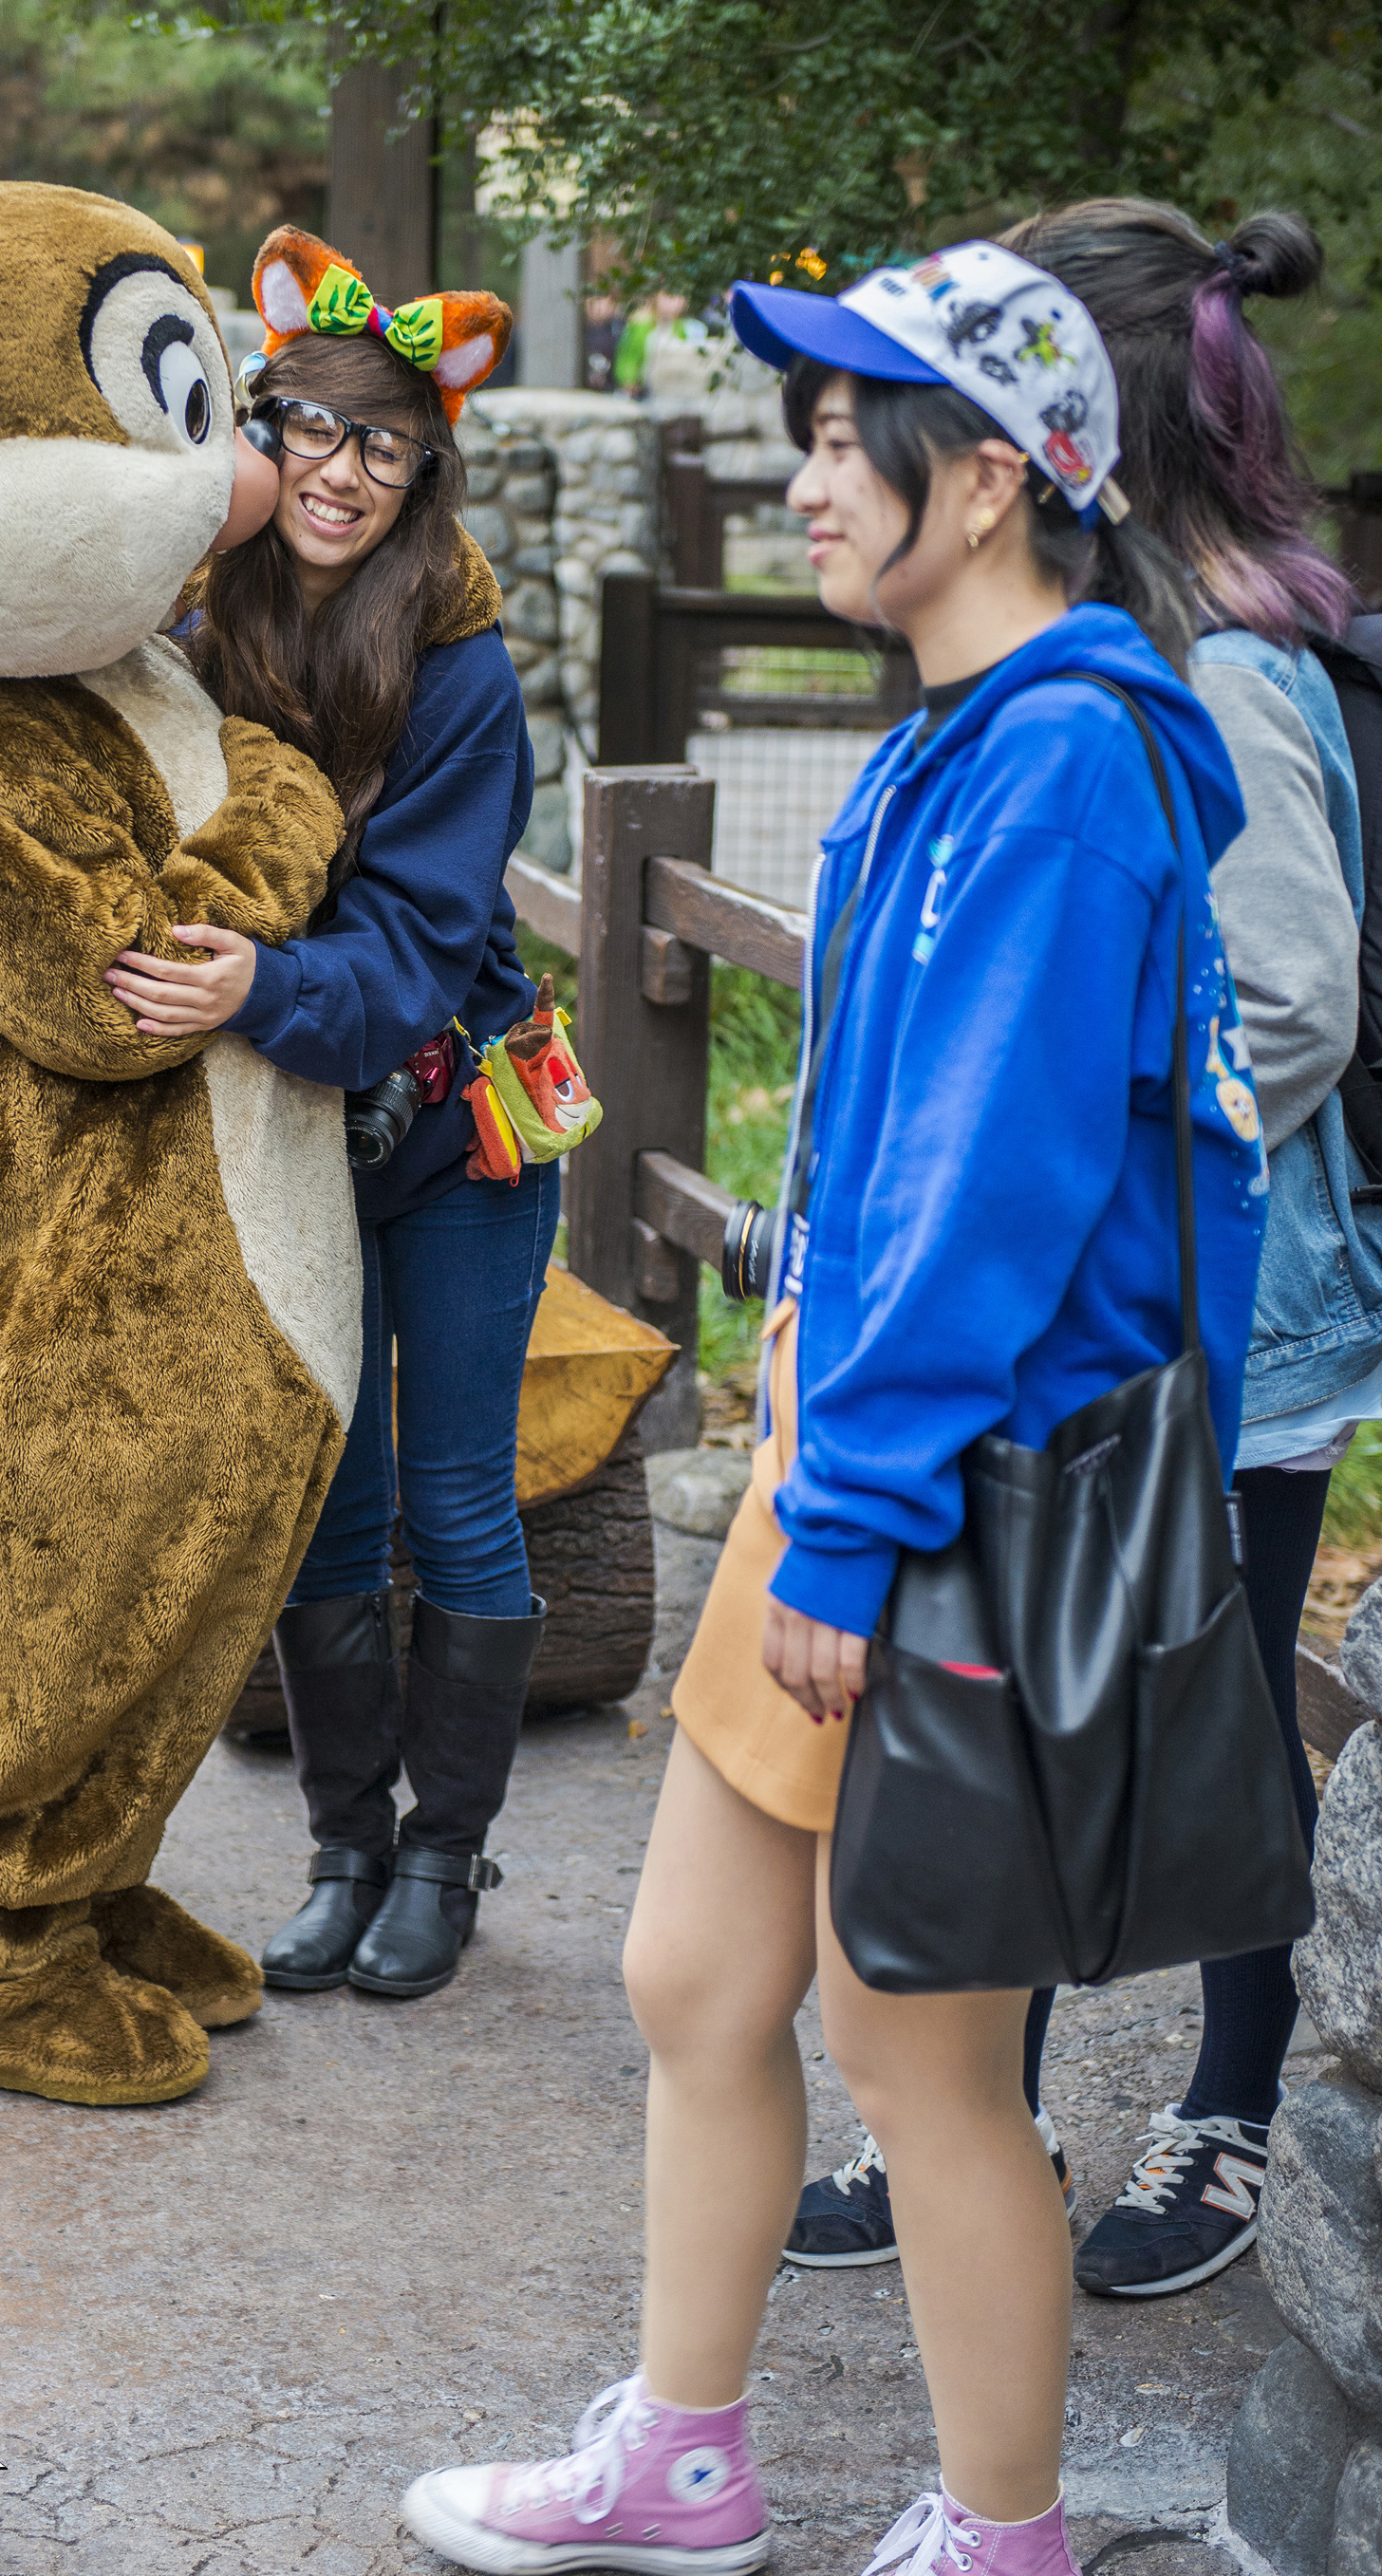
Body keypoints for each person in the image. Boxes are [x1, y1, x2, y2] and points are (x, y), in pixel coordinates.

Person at [399, 241, 1265, 2576]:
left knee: (918, 2056)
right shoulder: (951, 742)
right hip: (854, 1462)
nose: (795, 478)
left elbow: (996, 1188)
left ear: (983, 479)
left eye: (832, 437)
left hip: (948, 1494)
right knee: (696, 1971)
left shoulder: (1069, 761)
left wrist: (860, 1506)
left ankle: (1002, 2531)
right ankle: (685, 2452)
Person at [103, 223, 551, 2005]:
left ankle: (445, 1854)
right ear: (259, 422)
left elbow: (428, 942)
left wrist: (259, 993)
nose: (343, 473)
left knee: (453, 1499)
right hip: (285, 1121)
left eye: (387, 446)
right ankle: (345, 1845)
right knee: (320, 1492)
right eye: (310, 428)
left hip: (450, 1124)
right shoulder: (201, 621)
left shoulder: (463, 664)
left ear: (426, 468)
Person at [991, 199, 1370, 2303]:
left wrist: (1070, 1093)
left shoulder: (1222, 660)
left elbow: (1291, 1003)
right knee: (1046, 1721)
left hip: (1234, 1317)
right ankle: (987, 2127)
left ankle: (1223, 2110)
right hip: (1153, 1308)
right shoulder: (1145, 633)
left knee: (1202, 1738)